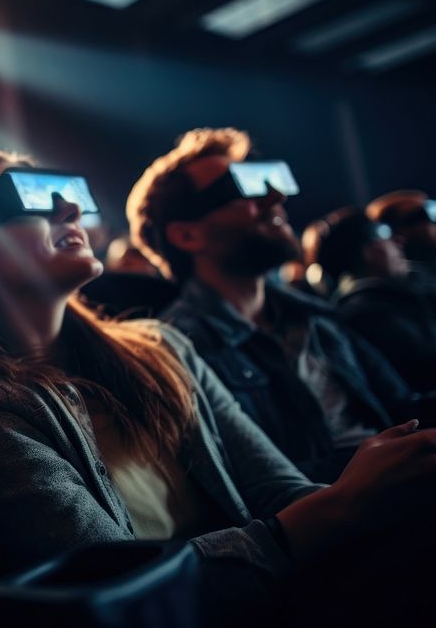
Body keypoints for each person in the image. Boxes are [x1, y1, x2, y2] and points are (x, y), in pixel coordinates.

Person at [0, 149, 436, 625]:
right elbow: (121, 590)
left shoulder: (161, 346)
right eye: (23, 195)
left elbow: (276, 488)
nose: (68, 209)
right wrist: (343, 507)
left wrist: (380, 495)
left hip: (298, 585)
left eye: (69, 194)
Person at [126, 128, 409, 482]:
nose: (274, 198)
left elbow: (402, 405)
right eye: (238, 188)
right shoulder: (181, 351)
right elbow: (255, 486)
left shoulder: (313, 316)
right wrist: (384, 470)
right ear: (187, 235)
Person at [313, 208, 436, 396]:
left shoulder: (396, 291)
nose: (399, 241)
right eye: (384, 235)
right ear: (366, 252)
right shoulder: (363, 312)